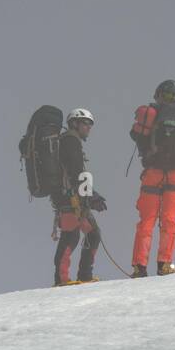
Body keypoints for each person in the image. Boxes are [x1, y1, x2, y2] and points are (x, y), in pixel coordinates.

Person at [128, 80, 175, 277]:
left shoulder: (150, 114)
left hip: (153, 173)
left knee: (146, 221)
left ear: (158, 94)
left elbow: (136, 136)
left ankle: (139, 267)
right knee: (170, 221)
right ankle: (164, 265)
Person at [51, 108, 107, 286]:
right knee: (71, 236)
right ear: (75, 123)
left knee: (92, 234)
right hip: (69, 199)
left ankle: (84, 275)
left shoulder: (69, 142)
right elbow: (76, 173)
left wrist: (89, 196)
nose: (89, 127)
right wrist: (92, 196)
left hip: (72, 198)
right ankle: (62, 279)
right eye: (86, 123)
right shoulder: (70, 141)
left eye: (90, 124)